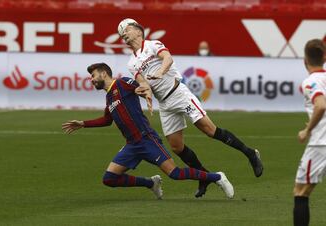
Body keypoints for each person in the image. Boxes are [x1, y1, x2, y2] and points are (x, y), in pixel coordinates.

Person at [117, 18, 263, 198]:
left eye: (127, 29)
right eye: (121, 32)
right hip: (165, 103)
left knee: (209, 130)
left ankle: (250, 153)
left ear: (138, 31)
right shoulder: (131, 63)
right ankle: (204, 176)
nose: (123, 34)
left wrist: (161, 72)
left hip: (178, 93)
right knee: (177, 147)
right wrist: (145, 93)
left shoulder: (153, 44)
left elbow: (168, 58)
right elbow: (143, 84)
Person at [62, 63, 234, 200]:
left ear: (103, 73)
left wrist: (144, 92)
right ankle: (150, 183)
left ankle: (217, 177)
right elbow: (107, 120)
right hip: (132, 145)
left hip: (147, 139)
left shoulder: (122, 83)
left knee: (174, 173)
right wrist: (83, 123)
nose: (91, 79)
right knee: (109, 178)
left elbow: (142, 87)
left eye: (93, 75)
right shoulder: (109, 97)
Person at [293, 39, 326, 226]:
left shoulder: (310, 81)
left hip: (320, 144)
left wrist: (307, 129)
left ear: (305, 60)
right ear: (324, 57)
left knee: (300, 192)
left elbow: (320, 105)